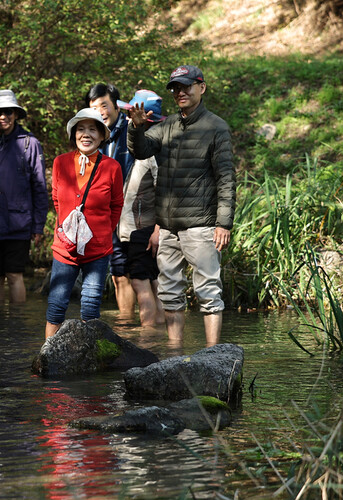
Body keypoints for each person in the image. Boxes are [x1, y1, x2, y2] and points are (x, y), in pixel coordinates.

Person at [127, 65, 235, 346]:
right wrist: (137, 128)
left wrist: (223, 223)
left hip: (201, 225)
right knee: (170, 291)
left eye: (187, 86)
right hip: (168, 227)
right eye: (175, 88)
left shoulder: (216, 127)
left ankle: (213, 354)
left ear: (202, 87)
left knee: (209, 291)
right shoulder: (167, 127)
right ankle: (175, 352)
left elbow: (226, 178)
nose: (180, 92)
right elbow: (140, 150)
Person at [44, 109, 123, 339]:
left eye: (92, 129)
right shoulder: (60, 163)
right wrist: (68, 228)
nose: (85, 134)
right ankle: (47, 354)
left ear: (101, 136)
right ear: (74, 134)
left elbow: (116, 204)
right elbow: (57, 198)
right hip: (64, 247)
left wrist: (104, 231)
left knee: (90, 307)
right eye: (81, 129)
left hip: (98, 248)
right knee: (56, 306)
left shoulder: (112, 167)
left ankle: (88, 362)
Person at [0, 89, 49, 304]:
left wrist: (38, 226)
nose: (2, 117)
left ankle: (17, 327)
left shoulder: (29, 143)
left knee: (14, 275)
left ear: (15, 113)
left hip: (19, 223)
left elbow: (39, 186)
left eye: (7, 112)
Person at [115, 90, 167, 327]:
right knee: (152, 282)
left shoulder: (153, 153)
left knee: (141, 283)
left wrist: (157, 230)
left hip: (142, 230)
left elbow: (164, 193)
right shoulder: (143, 149)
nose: (127, 119)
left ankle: (148, 340)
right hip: (138, 230)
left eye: (131, 115)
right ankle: (159, 340)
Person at [87, 83, 137, 317]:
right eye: (94, 107)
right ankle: (126, 325)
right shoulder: (96, 136)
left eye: (104, 105)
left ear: (117, 105)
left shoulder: (131, 130)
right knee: (118, 272)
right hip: (107, 215)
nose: (100, 112)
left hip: (135, 213)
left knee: (142, 274)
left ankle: (149, 333)